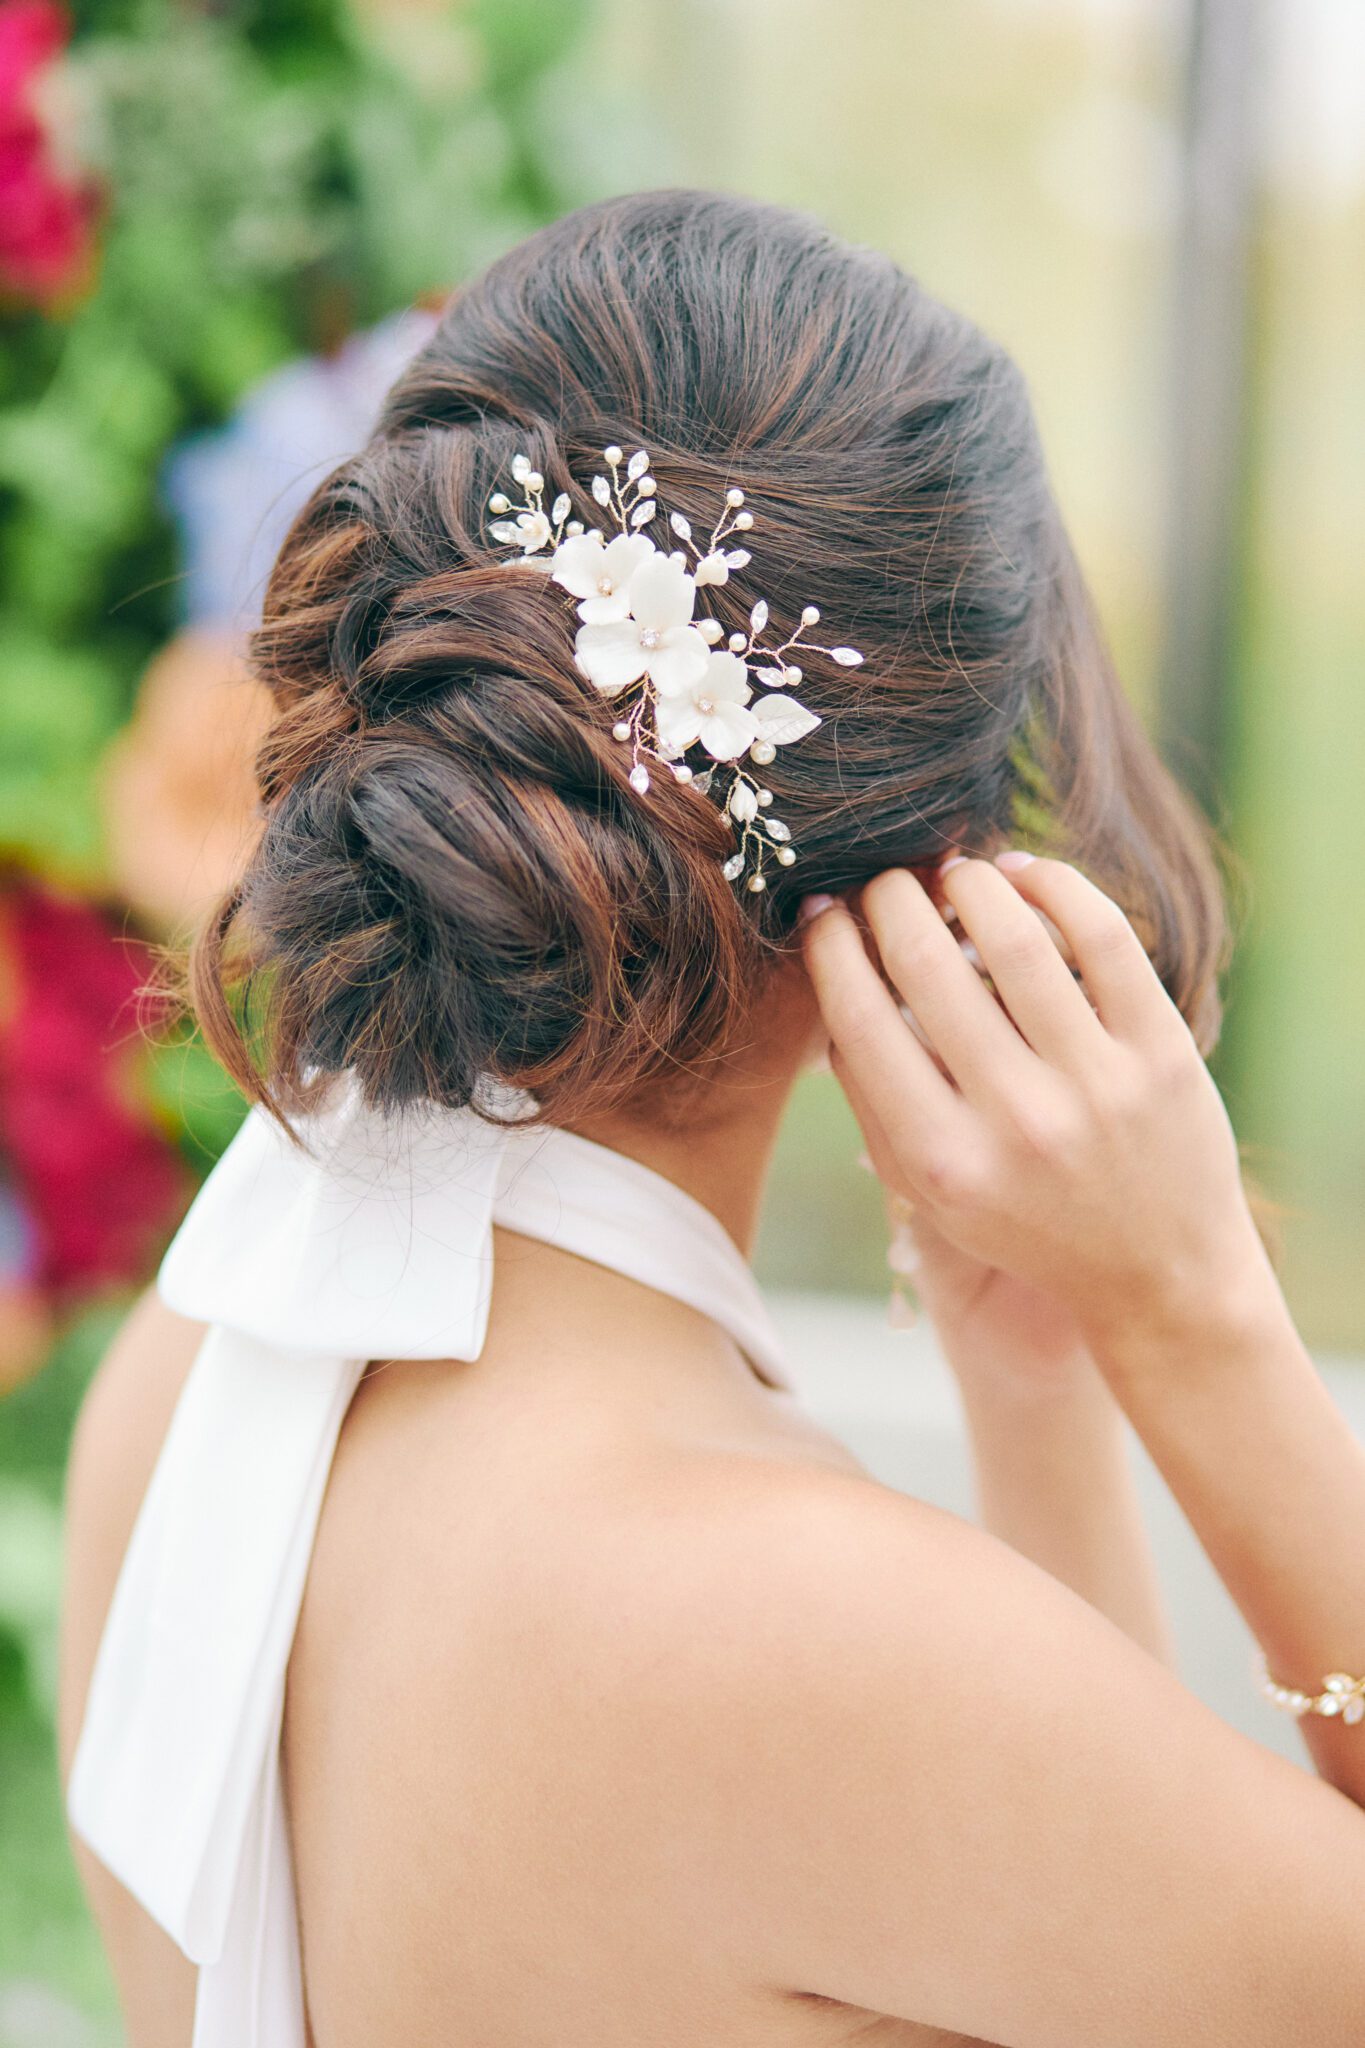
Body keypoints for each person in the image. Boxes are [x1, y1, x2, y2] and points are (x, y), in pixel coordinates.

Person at [56, 190, 1365, 2048]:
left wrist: (1039, 1381)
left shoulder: (195, 1367)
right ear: (940, 864)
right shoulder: (815, 1634)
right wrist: (1200, 1320)